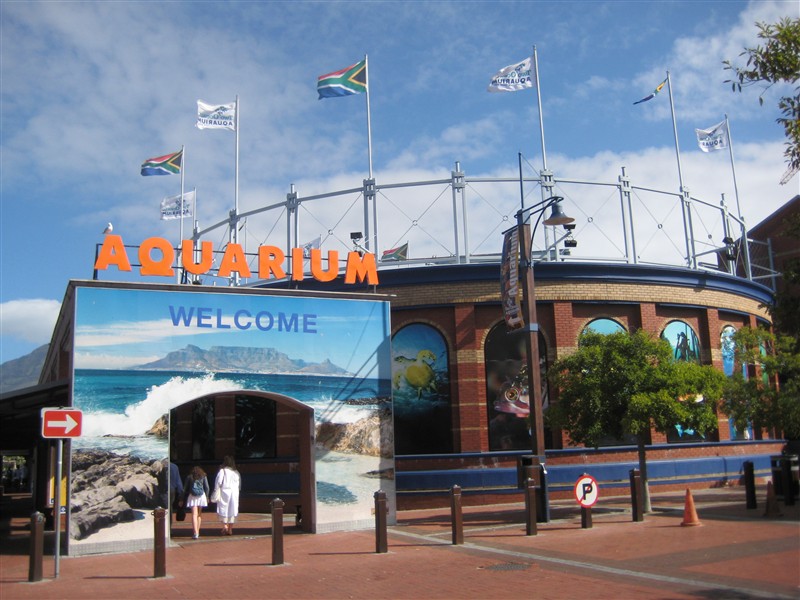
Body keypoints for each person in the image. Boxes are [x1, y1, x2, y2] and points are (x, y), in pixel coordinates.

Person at [215, 455, 241, 535]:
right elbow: (239, 485)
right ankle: (230, 529)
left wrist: (216, 490)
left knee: (223, 509)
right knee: (232, 510)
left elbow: (218, 482)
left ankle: (225, 525)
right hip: (234, 493)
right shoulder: (236, 472)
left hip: (224, 492)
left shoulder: (222, 471)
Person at [183, 465, 209, 539]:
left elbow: (184, 488)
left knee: (194, 514)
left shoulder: (190, 477)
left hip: (193, 496)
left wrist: (181, 498)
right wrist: (207, 497)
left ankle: (195, 532)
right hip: (201, 496)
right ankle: (198, 531)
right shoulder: (203, 476)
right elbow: (207, 487)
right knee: (199, 515)